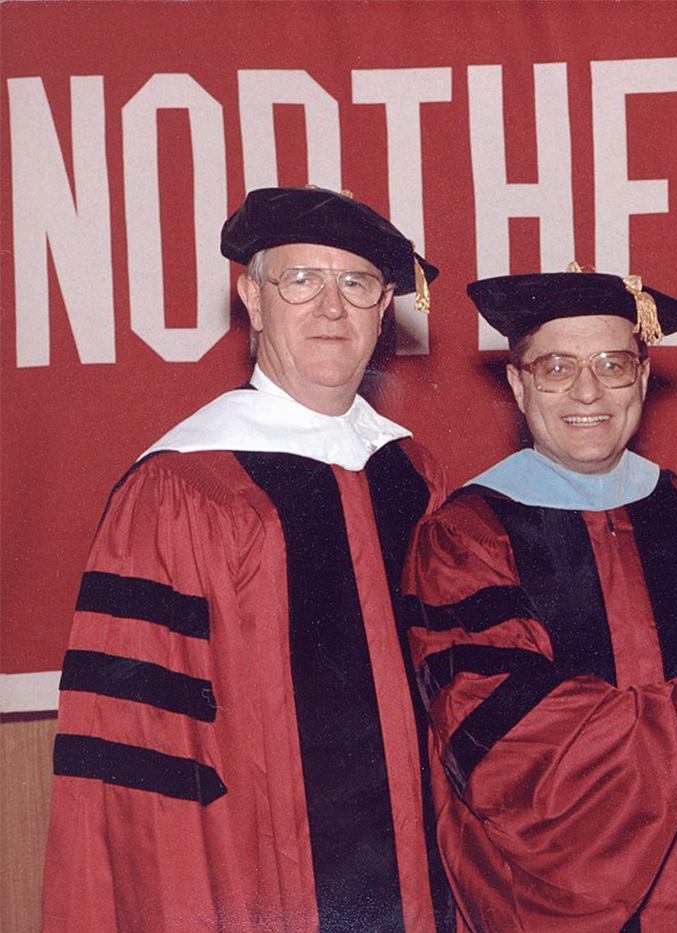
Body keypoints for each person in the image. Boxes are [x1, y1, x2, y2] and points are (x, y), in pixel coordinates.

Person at [42, 187, 460, 933]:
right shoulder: (180, 487)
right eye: (301, 280)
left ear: (385, 307)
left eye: (356, 284)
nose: (332, 307)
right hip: (259, 892)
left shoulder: (415, 476)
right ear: (252, 299)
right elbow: (144, 772)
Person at [403, 267, 677, 933]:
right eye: (556, 366)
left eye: (614, 364)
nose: (588, 390)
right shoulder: (466, 535)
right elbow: (497, 725)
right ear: (517, 384)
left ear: (641, 379)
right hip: (542, 894)